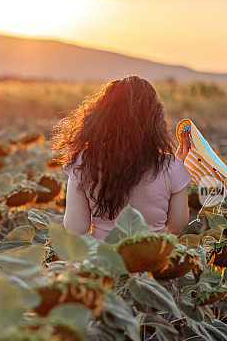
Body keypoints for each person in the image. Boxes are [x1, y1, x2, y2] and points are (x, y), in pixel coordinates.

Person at [52, 75, 192, 240]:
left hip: (104, 261)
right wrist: (179, 168)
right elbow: (176, 226)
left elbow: (76, 228)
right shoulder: (172, 167)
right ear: (155, 120)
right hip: (153, 261)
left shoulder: (83, 163)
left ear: (102, 116)